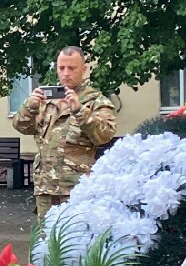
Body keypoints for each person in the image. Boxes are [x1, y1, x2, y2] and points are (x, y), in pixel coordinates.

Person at [12, 45, 118, 220]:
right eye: (61, 68)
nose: (66, 73)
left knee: (76, 235)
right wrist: (30, 107)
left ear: (83, 69)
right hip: (45, 187)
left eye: (72, 68)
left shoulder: (95, 101)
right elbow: (22, 126)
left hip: (77, 188)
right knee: (46, 236)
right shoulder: (47, 101)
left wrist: (79, 110)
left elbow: (104, 135)